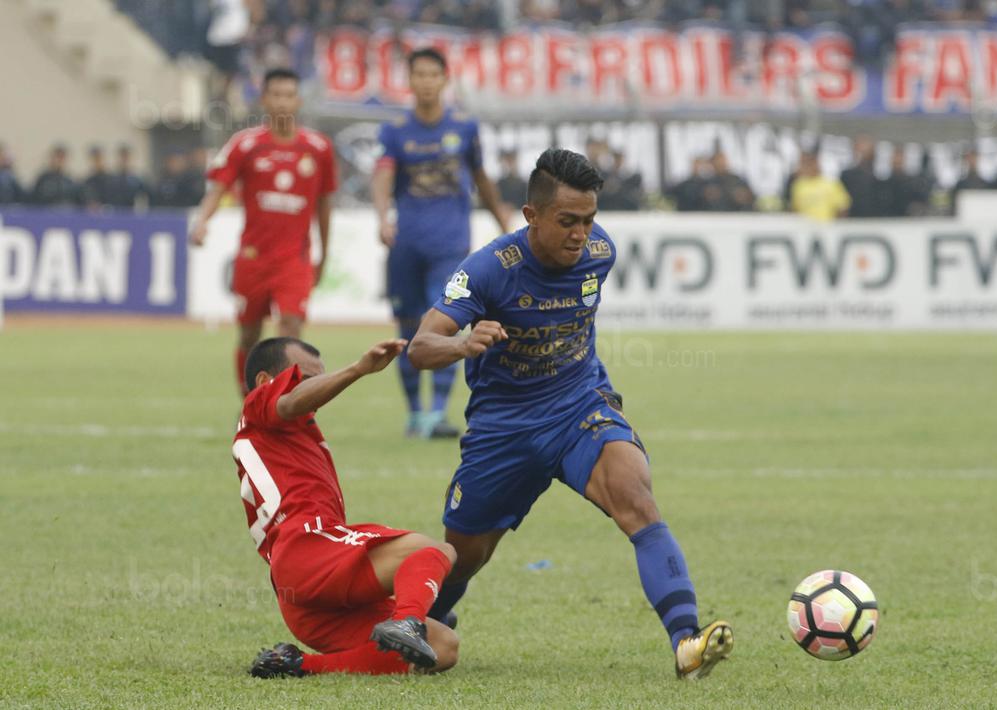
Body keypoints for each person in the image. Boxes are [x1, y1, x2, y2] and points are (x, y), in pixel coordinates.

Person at [407, 148, 734, 680]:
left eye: (588, 220)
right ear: (531, 215)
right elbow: (420, 346)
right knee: (465, 554)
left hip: (578, 405)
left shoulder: (600, 253)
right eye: (567, 222)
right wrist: (465, 344)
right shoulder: (489, 268)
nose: (581, 234)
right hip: (504, 428)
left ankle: (686, 642)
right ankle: (430, 621)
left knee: (636, 497)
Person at [233, 336, 460, 678]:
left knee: (443, 646)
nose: (317, 388)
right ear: (266, 382)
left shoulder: (285, 431)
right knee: (433, 551)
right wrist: (358, 369)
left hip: (303, 595)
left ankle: (297, 666)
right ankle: (407, 620)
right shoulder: (260, 405)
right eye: (305, 379)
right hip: (307, 550)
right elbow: (289, 402)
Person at [372, 47, 511, 439]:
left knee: (445, 325)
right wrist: (383, 218)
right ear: (410, 80)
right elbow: (382, 174)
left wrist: (503, 220)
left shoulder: (465, 128)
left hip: (450, 246)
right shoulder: (395, 130)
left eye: (434, 75)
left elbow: (481, 177)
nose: (427, 82)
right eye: (420, 75)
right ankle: (415, 413)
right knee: (406, 326)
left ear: (444, 80)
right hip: (406, 244)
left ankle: (436, 414)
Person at [190, 67, 337, 396]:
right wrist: (202, 222)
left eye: (289, 95)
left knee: (291, 329)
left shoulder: (318, 148)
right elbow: (218, 187)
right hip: (253, 258)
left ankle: (286, 409)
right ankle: (251, 405)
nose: (283, 102)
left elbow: (325, 206)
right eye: (276, 95)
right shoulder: (245, 145)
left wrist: (324, 254)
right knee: (248, 336)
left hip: (293, 259)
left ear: (298, 100)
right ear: (264, 99)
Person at [788, 151, 850, 221]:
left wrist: (835, 226)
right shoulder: (798, 185)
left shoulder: (831, 183)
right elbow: (794, 209)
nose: (809, 167)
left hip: (827, 227)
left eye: (811, 163)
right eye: (806, 164)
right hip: (804, 228)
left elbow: (842, 207)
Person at [839, 136, 879, 218]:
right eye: (860, 146)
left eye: (867, 147)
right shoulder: (846, 175)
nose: (863, 150)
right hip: (853, 219)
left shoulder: (880, 174)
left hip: (876, 219)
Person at [102, 144, 149, 210]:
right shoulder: (110, 179)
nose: (124, 160)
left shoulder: (137, 180)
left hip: (131, 215)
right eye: (122, 157)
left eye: (126, 157)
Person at [81, 146, 111, 210]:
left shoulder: (112, 181)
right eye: (94, 159)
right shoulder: (88, 182)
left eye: (98, 158)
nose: (97, 162)